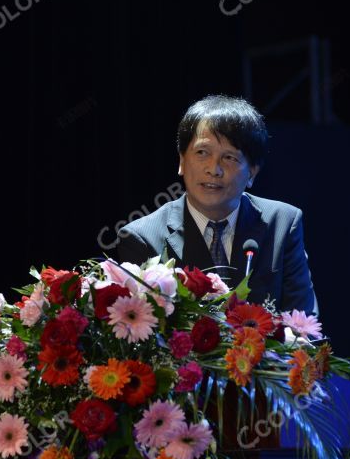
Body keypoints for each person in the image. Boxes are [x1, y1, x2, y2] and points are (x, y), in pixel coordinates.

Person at [117, 94, 318, 314]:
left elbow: (304, 327)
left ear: (252, 172)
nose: (214, 169)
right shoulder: (142, 238)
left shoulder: (283, 224)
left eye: (229, 157)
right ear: (182, 161)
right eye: (202, 153)